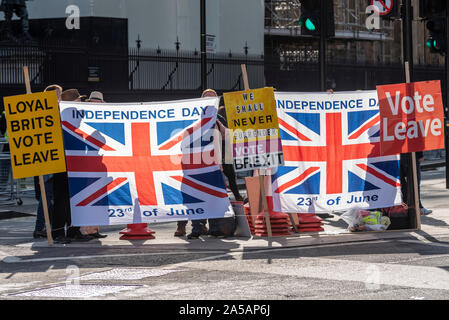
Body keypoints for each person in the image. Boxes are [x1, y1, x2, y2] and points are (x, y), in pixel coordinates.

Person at [52, 89, 92, 243]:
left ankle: (73, 230)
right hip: (62, 162)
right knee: (61, 198)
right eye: (78, 100)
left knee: (75, 198)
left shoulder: (76, 117)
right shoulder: (59, 117)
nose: (80, 103)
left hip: (77, 162)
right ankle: (57, 232)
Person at [33, 84, 63, 239]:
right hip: (47, 161)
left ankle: (44, 227)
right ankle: (40, 227)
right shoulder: (47, 113)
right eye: (59, 94)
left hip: (53, 160)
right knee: (47, 196)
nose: (60, 97)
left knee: (50, 195)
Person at [79, 91, 107, 239]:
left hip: (98, 161)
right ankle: (85, 229)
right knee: (89, 196)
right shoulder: (84, 119)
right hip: (89, 161)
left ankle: (94, 229)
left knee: (98, 196)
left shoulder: (101, 119)